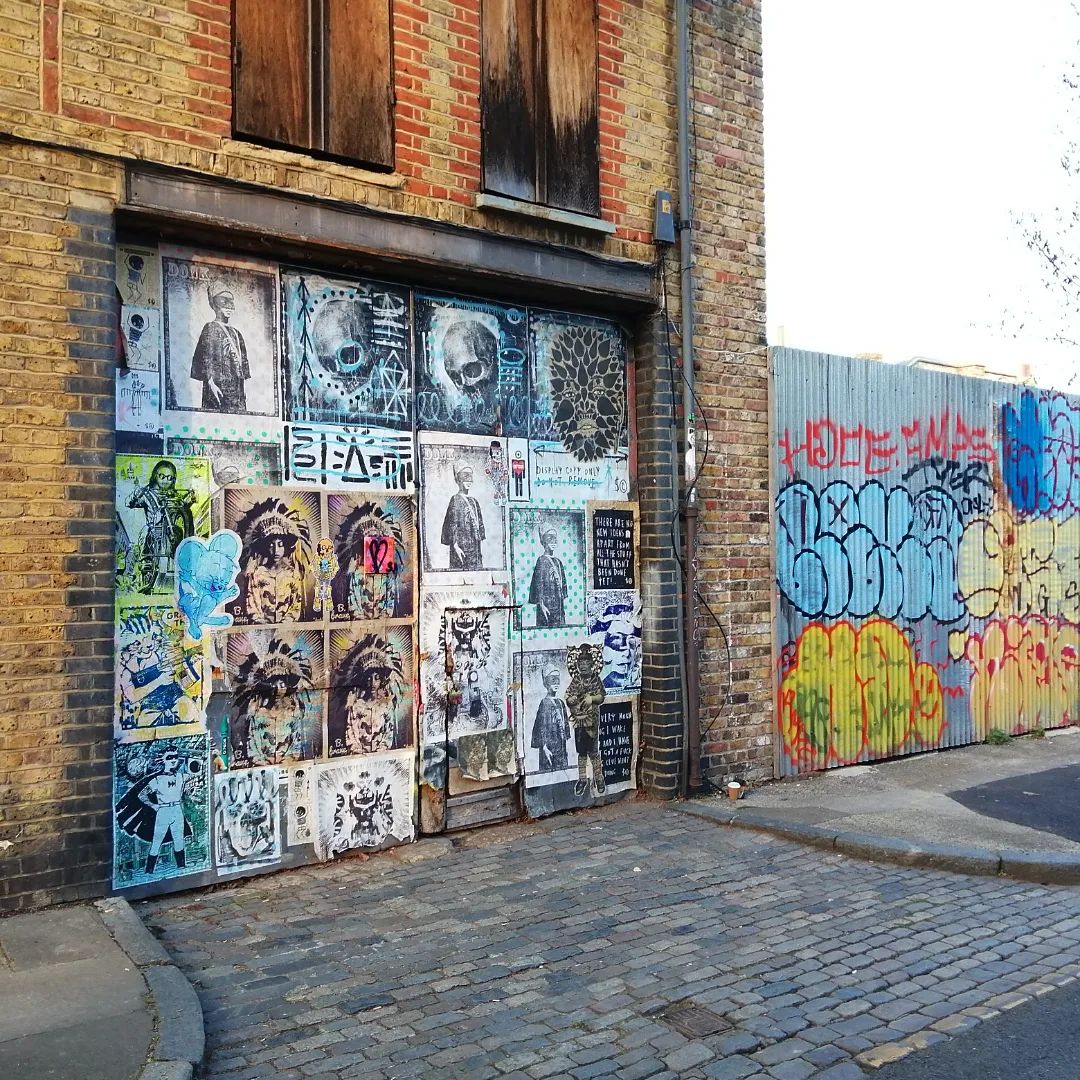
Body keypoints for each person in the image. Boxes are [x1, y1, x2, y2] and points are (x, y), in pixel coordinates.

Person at [127, 460, 196, 593]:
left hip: (171, 530)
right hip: (153, 528)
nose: (166, 481)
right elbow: (131, 502)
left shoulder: (174, 495)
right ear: (155, 475)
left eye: (170, 478)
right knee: (146, 532)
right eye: (162, 476)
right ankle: (146, 561)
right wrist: (135, 496)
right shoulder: (147, 493)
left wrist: (189, 500)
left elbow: (182, 508)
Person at [190, 280, 250, 411]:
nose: (229, 307)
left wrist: (243, 389)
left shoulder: (237, 333)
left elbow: (243, 364)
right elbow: (205, 358)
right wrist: (210, 384)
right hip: (217, 387)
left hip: (236, 391)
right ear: (215, 304)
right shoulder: (210, 328)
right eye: (223, 302)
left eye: (231, 302)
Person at [440, 463, 485, 570]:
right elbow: (452, 523)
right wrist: (455, 545)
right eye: (465, 477)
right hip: (460, 547)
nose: (469, 481)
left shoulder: (474, 501)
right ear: (458, 479)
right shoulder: (455, 499)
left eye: (470, 477)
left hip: (475, 548)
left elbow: (479, 526)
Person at [531, 668, 571, 771]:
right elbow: (540, 726)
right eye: (553, 680)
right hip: (548, 746)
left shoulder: (561, 702)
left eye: (557, 680)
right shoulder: (544, 703)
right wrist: (544, 747)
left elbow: (565, 724)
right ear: (546, 682)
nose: (556, 683)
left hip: (561, 745)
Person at [529, 523, 567, 627]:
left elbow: (562, 586)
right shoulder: (541, 561)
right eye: (549, 538)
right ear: (543, 541)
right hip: (546, 607)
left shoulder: (558, 562)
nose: (553, 541)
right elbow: (538, 584)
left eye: (555, 538)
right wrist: (541, 605)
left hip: (558, 607)